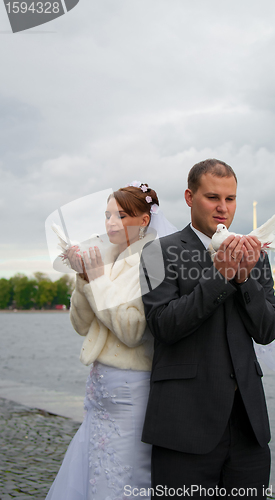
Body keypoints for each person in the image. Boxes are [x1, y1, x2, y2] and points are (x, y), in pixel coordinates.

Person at [140, 159, 275, 499]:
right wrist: (219, 276)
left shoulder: (256, 254)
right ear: (190, 197)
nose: (223, 208)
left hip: (248, 427)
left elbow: (268, 330)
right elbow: (164, 326)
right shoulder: (157, 252)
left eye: (230, 199)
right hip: (183, 424)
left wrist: (245, 277)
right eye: (212, 197)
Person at [46, 183, 175, 500]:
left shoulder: (154, 259)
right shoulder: (106, 258)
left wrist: (97, 279)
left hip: (132, 391)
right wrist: (85, 278)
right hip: (100, 393)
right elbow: (81, 325)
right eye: (107, 215)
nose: (111, 223)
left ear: (144, 220)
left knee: (121, 477)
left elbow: (132, 331)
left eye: (121, 215)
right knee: (92, 472)